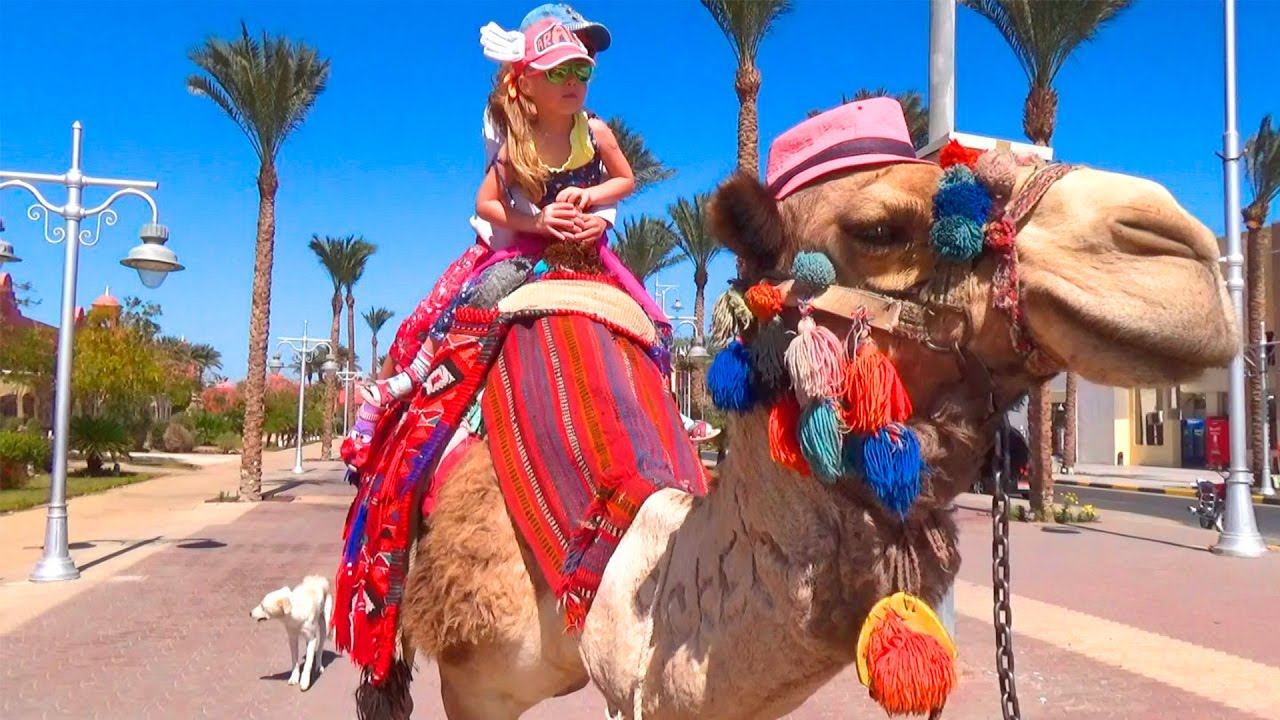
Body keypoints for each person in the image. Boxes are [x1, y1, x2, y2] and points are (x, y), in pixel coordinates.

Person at [343, 14, 673, 464]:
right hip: (518, 247)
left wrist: (595, 206)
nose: (573, 79)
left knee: (646, 321)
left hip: (585, 249)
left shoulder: (594, 131)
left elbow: (622, 179)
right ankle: (407, 386)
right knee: (459, 306)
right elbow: (488, 203)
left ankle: (663, 409)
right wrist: (537, 222)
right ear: (526, 81)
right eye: (558, 69)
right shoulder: (513, 137)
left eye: (582, 67)